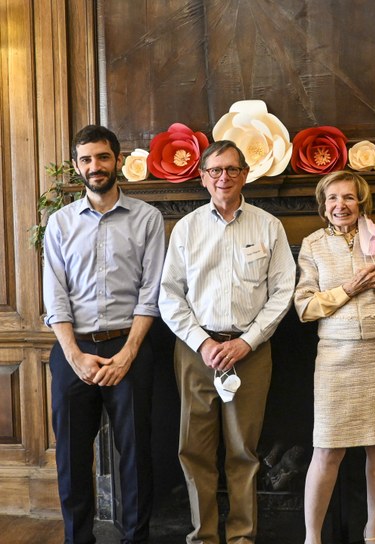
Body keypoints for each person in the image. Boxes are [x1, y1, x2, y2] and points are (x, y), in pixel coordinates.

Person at [158, 140, 296, 543]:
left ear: (245, 175)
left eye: (232, 170)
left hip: (249, 353)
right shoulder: (187, 228)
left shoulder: (268, 226)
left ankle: (241, 537)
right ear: (202, 178)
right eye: (215, 170)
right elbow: (169, 295)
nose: (224, 177)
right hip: (195, 352)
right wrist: (202, 343)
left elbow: (283, 292)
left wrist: (247, 342)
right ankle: (203, 536)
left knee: (243, 452)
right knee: (195, 450)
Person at [43, 125, 165, 544]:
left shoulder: (147, 219)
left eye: (102, 157)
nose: (95, 166)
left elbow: (152, 292)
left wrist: (129, 352)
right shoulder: (59, 224)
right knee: (72, 457)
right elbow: (55, 296)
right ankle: (79, 538)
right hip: (72, 348)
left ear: (117, 160)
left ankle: (136, 538)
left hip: (128, 346)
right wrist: (74, 355)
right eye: (86, 160)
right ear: (77, 167)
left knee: (135, 454)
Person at [294, 170, 375, 544]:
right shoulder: (312, 245)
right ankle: (313, 537)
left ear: (361, 202)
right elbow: (305, 307)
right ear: (322, 204)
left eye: (348, 197)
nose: (339, 205)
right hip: (337, 356)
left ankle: (373, 530)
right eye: (332, 198)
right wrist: (348, 289)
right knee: (326, 449)